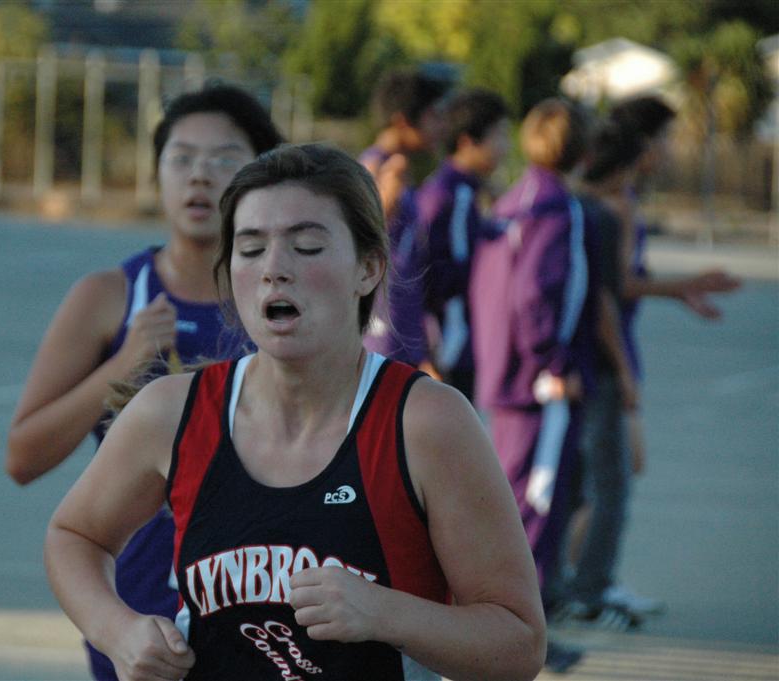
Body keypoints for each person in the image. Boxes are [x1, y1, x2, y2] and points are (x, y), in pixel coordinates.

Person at [45, 144, 546, 681]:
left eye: (307, 247)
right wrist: (118, 633)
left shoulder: (425, 423)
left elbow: (518, 644)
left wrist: (386, 612)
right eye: (250, 248)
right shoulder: (173, 411)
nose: (274, 269)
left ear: (368, 269)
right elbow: (74, 536)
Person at [6, 83, 283, 680]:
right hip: (138, 604)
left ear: (260, 175)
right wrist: (122, 364)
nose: (199, 176)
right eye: (181, 158)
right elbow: (23, 456)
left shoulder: (284, 300)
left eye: (224, 159)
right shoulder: (111, 296)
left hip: (263, 593)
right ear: (157, 172)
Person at [599, 95, 741, 618]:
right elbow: (614, 286)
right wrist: (682, 285)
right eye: (663, 138)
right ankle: (577, 586)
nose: (667, 149)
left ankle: (583, 580)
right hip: (606, 352)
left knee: (612, 472)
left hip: (614, 347)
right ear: (643, 144)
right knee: (610, 474)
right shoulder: (617, 203)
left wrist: (680, 291)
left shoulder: (622, 198)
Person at [469, 98, 595, 673]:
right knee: (534, 508)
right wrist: (554, 363)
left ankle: (511, 634)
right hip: (535, 383)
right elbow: (534, 294)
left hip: (504, 373)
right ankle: (525, 639)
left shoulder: (515, 199)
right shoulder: (555, 206)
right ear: (581, 149)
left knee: (511, 505)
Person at [554, 120, 646, 630]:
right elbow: (606, 303)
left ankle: (558, 582)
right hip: (597, 370)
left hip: (560, 369)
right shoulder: (602, 218)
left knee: (568, 485)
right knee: (610, 485)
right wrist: (626, 375)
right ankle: (590, 588)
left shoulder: (564, 208)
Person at [379, 88, 509, 398]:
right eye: (500, 135)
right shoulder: (453, 196)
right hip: (450, 344)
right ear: (468, 141)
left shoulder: (458, 190)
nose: (506, 147)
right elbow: (444, 274)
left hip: (449, 341)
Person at [358, 69, 450, 377]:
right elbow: (359, 242)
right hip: (381, 338)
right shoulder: (373, 170)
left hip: (405, 335)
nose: (441, 126)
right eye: (433, 116)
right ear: (402, 121)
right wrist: (384, 204)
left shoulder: (400, 171)